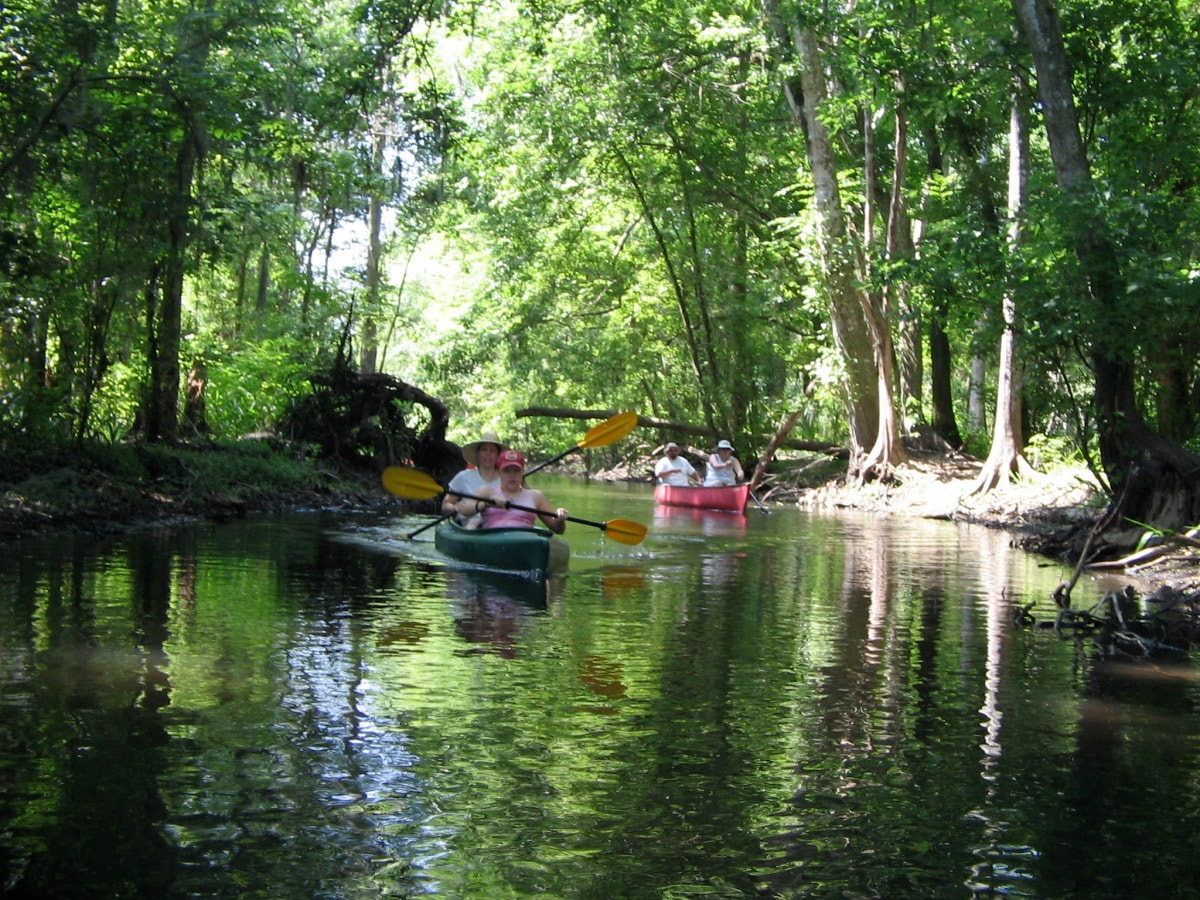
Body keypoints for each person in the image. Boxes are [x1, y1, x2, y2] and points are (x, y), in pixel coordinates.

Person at [458, 449, 569, 534]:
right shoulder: (486, 492)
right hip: (493, 540)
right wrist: (485, 504)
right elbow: (464, 511)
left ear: (522, 472)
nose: (512, 475)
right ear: (499, 472)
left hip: (523, 540)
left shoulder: (536, 496)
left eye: (516, 470)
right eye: (507, 471)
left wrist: (560, 519)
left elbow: (558, 530)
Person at [443, 431, 505, 525]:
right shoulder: (463, 476)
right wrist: (454, 507)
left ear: (498, 455)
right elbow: (445, 505)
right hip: (469, 525)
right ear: (478, 453)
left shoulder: (507, 479)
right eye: (484, 450)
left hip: (498, 524)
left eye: (492, 450)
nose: (488, 454)